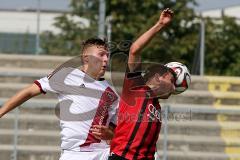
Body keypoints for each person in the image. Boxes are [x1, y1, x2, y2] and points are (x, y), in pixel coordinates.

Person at [0, 38, 119, 160]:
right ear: (86, 57)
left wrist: (110, 135)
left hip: (103, 153)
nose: (106, 59)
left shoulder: (112, 94)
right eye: (101, 54)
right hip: (74, 154)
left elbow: (119, 133)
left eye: (107, 55)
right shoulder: (66, 76)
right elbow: (30, 91)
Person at [108, 8, 175, 160]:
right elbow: (134, 50)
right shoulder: (135, 88)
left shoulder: (156, 105)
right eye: (171, 81)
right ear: (158, 78)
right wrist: (160, 24)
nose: (174, 87)